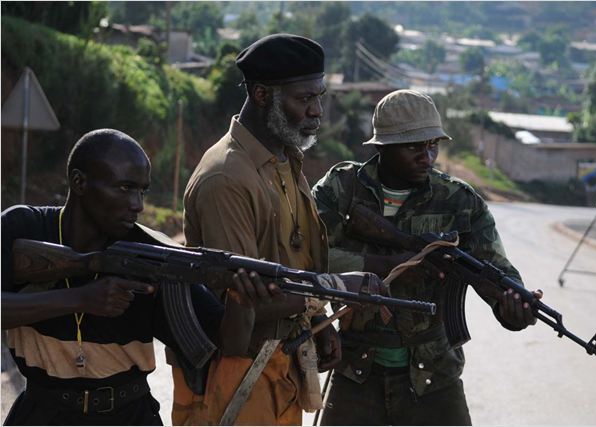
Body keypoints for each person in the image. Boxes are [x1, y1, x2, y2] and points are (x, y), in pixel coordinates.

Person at [1, 128, 281, 425]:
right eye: (125, 188)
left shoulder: (154, 255)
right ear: (79, 182)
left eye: (142, 191)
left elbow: (229, 344)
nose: (138, 204)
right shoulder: (24, 227)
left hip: (128, 415)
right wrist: (81, 299)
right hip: (41, 414)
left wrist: (241, 300)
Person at [176, 34, 381, 425]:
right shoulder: (226, 177)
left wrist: (315, 324)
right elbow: (241, 298)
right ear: (261, 95)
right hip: (232, 375)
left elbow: (294, 261)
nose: (317, 111)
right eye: (304, 99)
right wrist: (336, 287)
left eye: (319, 97)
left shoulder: (285, 161)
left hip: (280, 366)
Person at [312, 89, 543, 426]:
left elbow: (497, 273)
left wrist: (514, 311)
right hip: (355, 371)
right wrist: (389, 265)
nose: (427, 156)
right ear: (382, 147)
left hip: (434, 378)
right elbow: (307, 262)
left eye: (433, 144)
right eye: (414, 147)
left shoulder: (459, 202)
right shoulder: (341, 189)